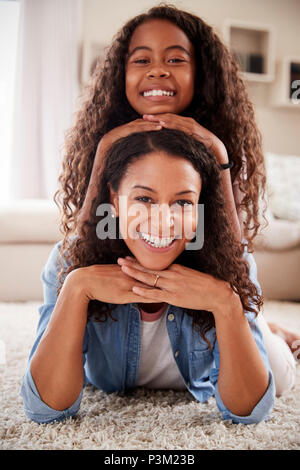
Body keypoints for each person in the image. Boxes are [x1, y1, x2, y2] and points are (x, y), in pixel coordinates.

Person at [54, 5, 297, 394]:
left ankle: (265, 330)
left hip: (203, 303)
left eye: (175, 59)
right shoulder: (103, 143)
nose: (158, 70)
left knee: (278, 377)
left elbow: (234, 259)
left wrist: (217, 153)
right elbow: (82, 244)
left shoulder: (225, 147)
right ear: (122, 73)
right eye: (142, 59)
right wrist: (104, 152)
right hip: (128, 313)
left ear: (200, 74)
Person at [21, 128, 276, 425]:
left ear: (200, 209)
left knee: (280, 373)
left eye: (183, 202)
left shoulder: (233, 263)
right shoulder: (71, 262)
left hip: (244, 326)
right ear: (114, 200)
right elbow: (45, 409)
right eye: (144, 198)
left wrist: (227, 304)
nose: (163, 222)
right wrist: (76, 289)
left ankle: (269, 332)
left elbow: (250, 413)